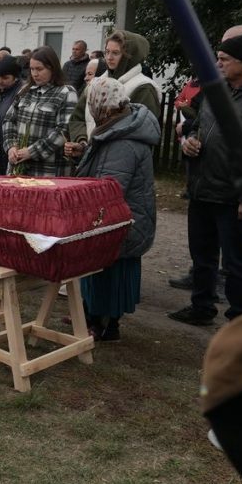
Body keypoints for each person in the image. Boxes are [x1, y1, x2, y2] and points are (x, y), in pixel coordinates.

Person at [169, 27, 242, 326]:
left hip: (234, 193)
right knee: (201, 254)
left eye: (224, 59)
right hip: (202, 185)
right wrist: (189, 141)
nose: (218, 64)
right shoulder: (215, 87)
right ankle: (201, 306)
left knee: (235, 260)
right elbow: (198, 125)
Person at [76, 78, 160, 341]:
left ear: (102, 105)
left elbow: (110, 187)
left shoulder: (123, 140)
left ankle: (104, 324)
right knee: (100, 271)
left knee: (110, 275)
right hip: (120, 217)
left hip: (122, 219)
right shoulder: (117, 128)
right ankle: (91, 315)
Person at [67, 31, 160, 155]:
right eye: (107, 52)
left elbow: (141, 131)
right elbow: (77, 118)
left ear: (130, 56)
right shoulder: (96, 84)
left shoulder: (143, 87)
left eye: (115, 53)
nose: (109, 57)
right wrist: (82, 142)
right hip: (91, 157)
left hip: (122, 159)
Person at [1, 45, 78, 177]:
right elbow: (9, 119)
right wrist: (11, 146)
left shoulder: (66, 92)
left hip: (48, 171)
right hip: (18, 167)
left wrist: (32, 151)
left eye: (39, 69)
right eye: (32, 69)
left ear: (52, 68)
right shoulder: (25, 90)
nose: (35, 74)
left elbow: (62, 130)